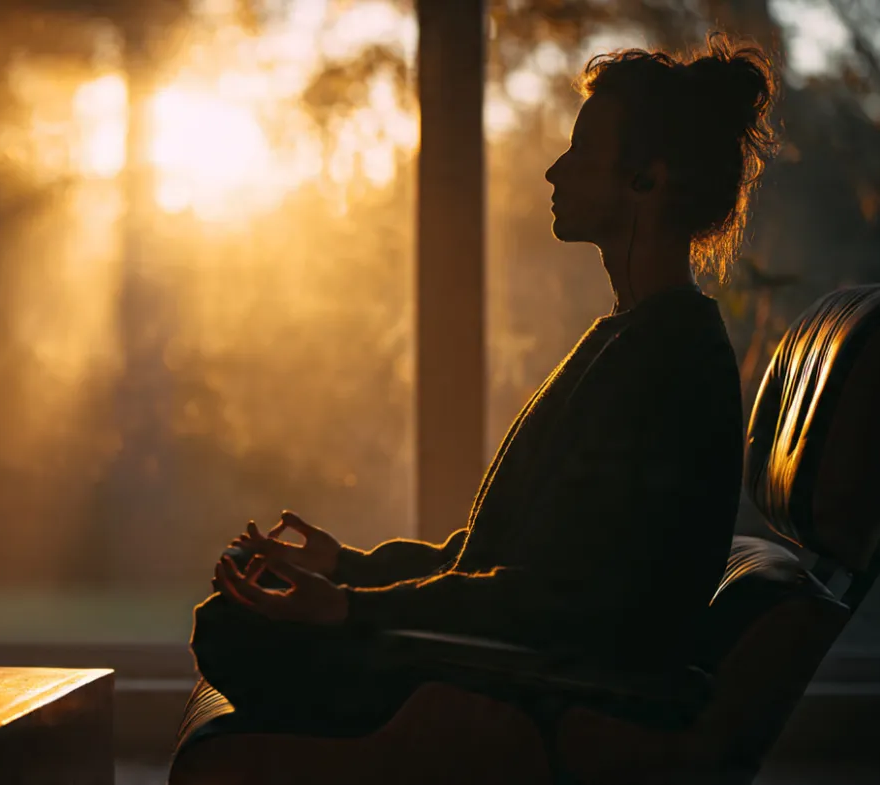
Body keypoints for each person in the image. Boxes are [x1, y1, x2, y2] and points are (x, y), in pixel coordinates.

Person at [189, 32, 780, 734]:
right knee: (239, 608)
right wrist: (347, 568)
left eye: (581, 152)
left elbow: (552, 602)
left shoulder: (663, 362)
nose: (554, 171)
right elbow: (502, 558)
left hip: (526, 679)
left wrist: (350, 607)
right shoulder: (637, 338)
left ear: (645, 180)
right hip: (508, 649)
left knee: (232, 627)